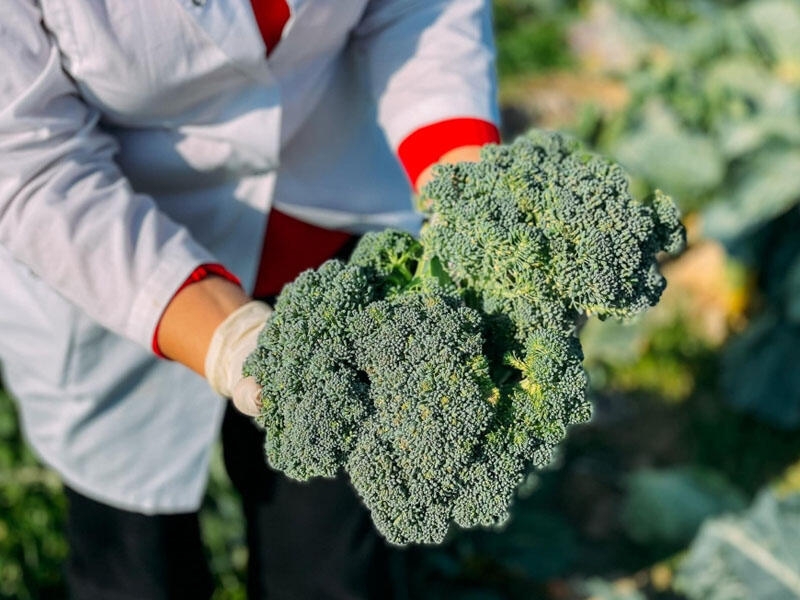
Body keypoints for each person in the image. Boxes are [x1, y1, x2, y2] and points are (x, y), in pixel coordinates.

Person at [0, 0, 501, 597]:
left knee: (333, 570)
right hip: (113, 271)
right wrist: (230, 338)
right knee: (137, 574)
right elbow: (28, 160)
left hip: (328, 250)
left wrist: (469, 194)